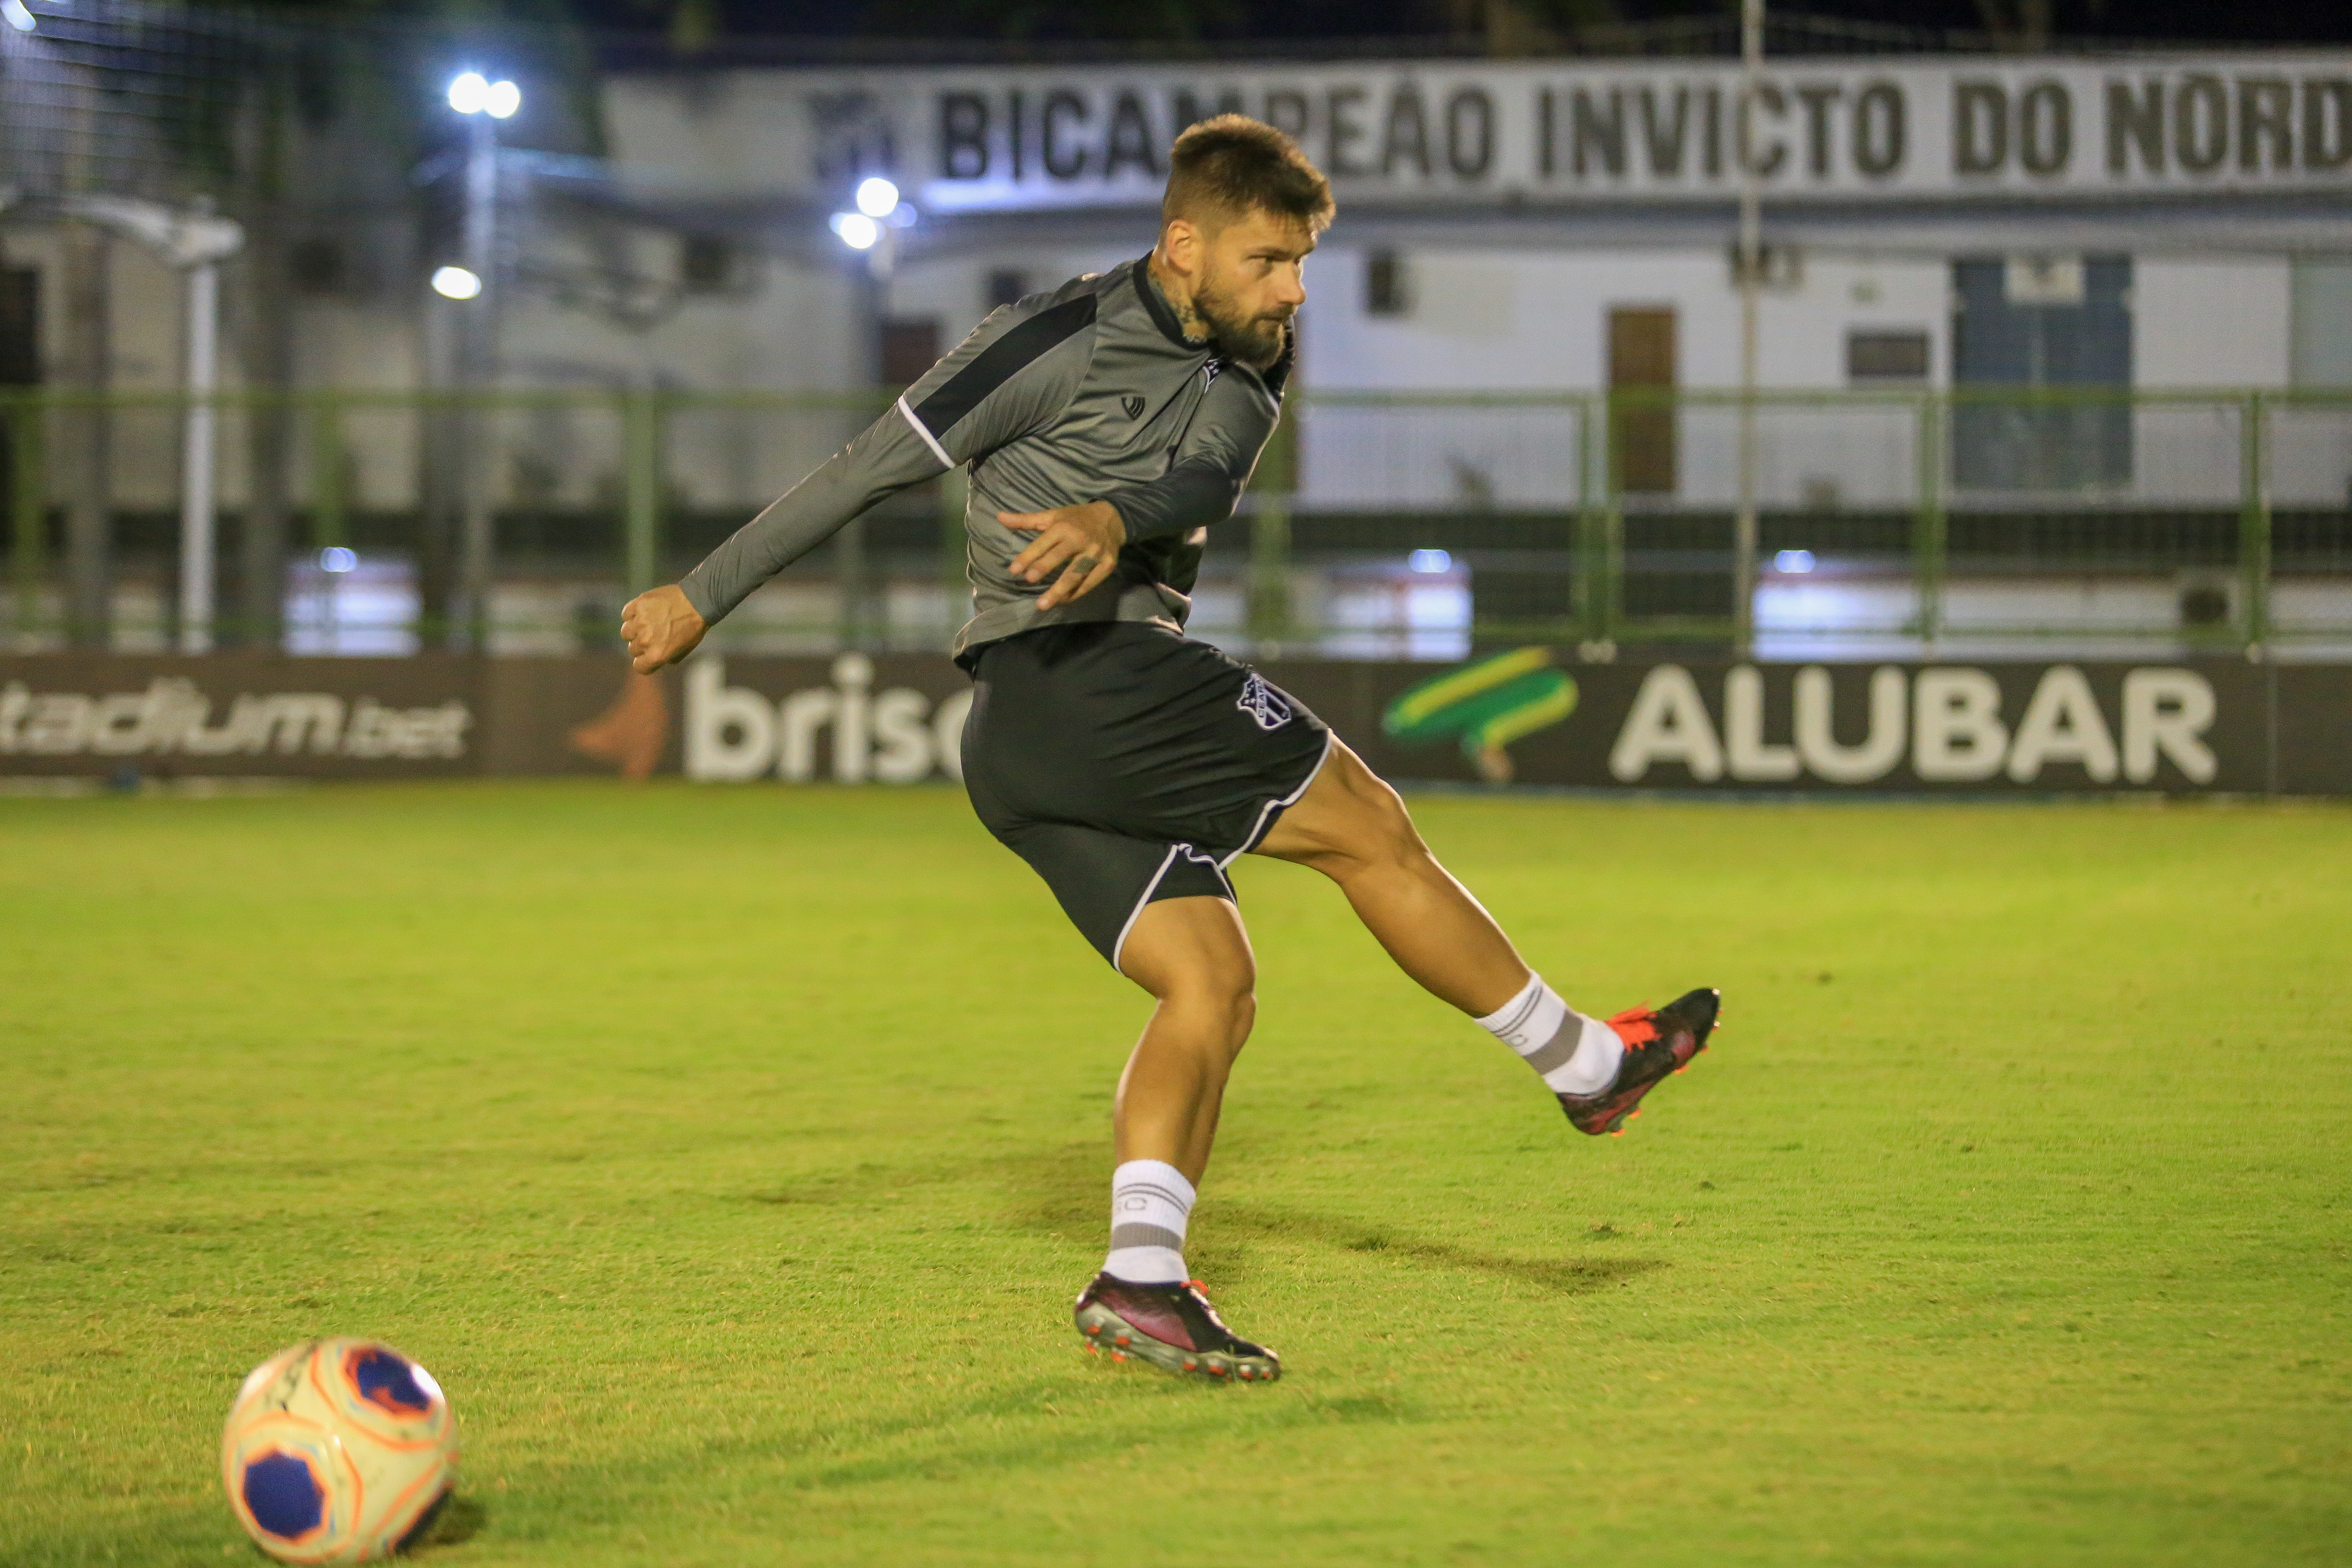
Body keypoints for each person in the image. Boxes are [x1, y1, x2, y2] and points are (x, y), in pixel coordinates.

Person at [621, 115, 1719, 1385]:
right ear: (1182, 243)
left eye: (1303, 261)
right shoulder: (1050, 339)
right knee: (1370, 828)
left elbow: (1202, 483)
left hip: (1043, 743)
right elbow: (871, 466)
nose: (1294, 289)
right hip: (1081, 681)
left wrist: (1113, 510)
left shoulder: (1258, 354)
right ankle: (1586, 1065)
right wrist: (703, 593)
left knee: (1212, 982)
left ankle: (1141, 1279)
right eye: (1268, 260)